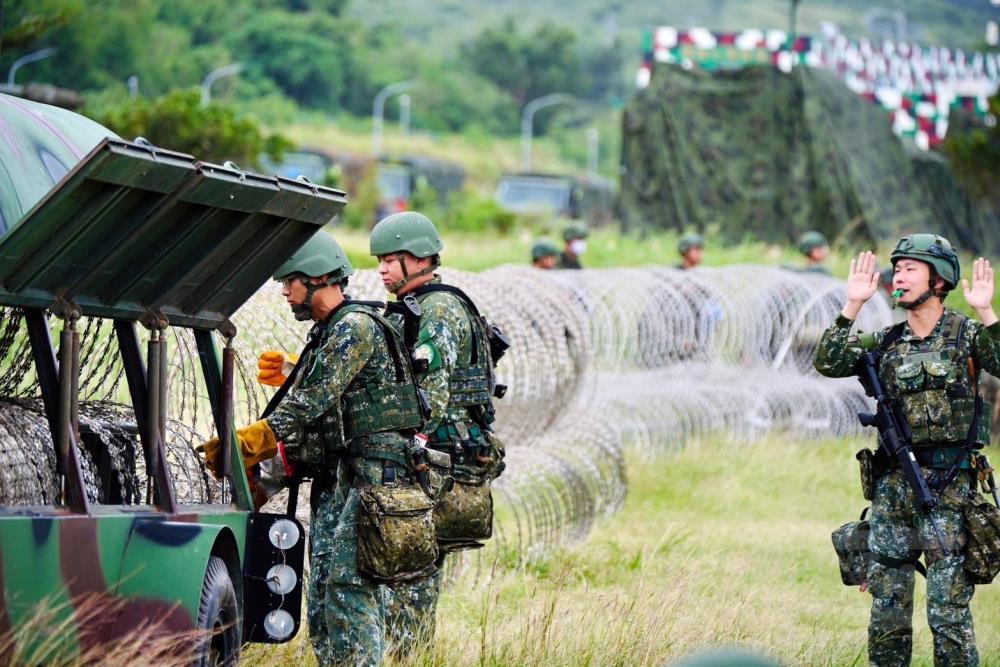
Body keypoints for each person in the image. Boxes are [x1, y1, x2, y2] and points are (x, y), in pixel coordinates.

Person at [198, 231, 428, 666]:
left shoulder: (354, 327)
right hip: (340, 477)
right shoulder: (328, 333)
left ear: (321, 277)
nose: (285, 292)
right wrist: (267, 470)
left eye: (291, 282)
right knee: (322, 589)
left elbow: (309, 403)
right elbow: (317, 420)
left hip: (373, 477)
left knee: (347, 585)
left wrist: (249, 442)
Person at [813, 234, 999, 667]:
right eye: (896, 268)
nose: (897, 275)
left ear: (939, 280)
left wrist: (987, 311)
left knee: (948, 613)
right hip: (893, 491)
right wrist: (852, 306)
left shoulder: (966, 335)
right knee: (887, 614)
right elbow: (828, 361)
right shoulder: (885, 341)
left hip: (950, 491)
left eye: (910, 268)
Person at [369, 211, 506, 657]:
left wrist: (408, 446)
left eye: (392, 259)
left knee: (413, 564)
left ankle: (409, 655)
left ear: (420, 259)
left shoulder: (439, 309)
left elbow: (433, 389)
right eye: (380, 261)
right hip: (443, 452)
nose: (383, 269)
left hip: (439, 457)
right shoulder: (421, 306)